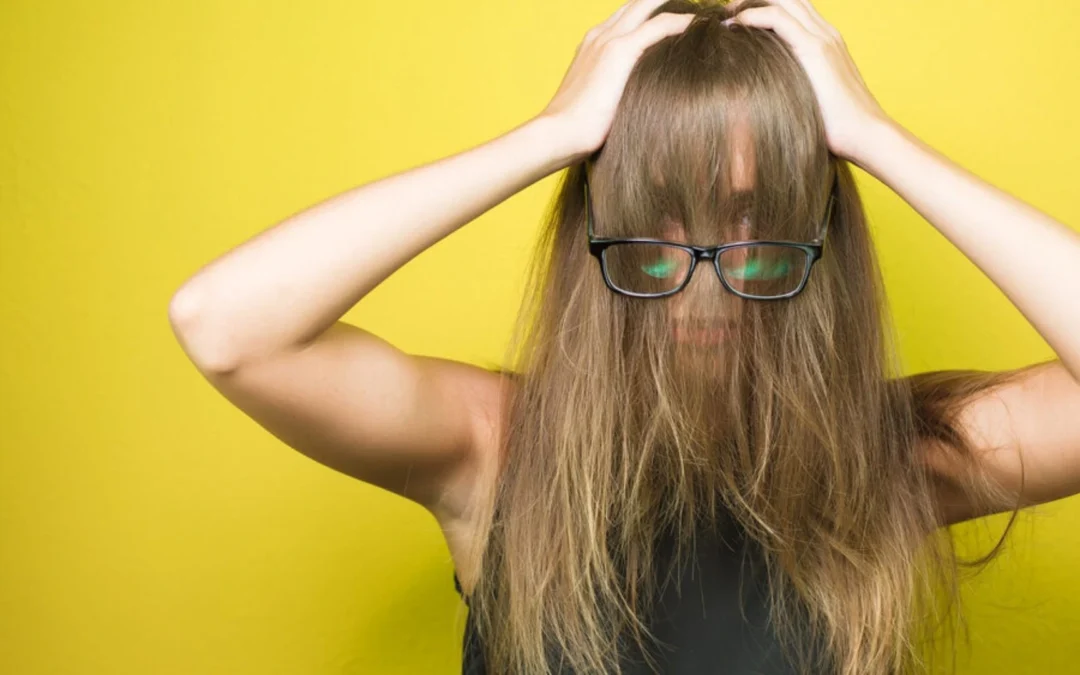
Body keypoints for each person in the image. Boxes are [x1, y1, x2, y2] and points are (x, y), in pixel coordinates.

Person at [167, 0, 1080, 673]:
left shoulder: (892, 461)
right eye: (655, 231)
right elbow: (227, 326)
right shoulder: (493, 447)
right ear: (594, 236)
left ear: (818, 245)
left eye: (751, 227)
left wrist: (877, 140)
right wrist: (548, 135)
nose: (704, 288)